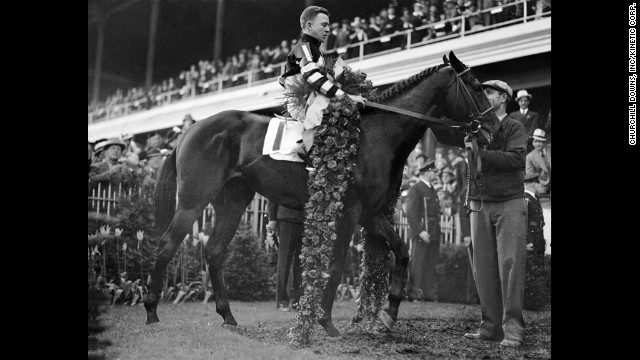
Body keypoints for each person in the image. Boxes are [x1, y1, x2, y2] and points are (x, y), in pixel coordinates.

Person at [464, 79, 528, 348]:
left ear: (503, 98)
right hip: (480, 202)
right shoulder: (476, 126)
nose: (484, 95)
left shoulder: (515, 126)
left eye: (489, 92)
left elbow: (516, 159)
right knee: (483, 268)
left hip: (509, 201)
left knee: (510, 267)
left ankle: (512, 330)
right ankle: (489, 326)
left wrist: (482, 153)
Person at [277, 6, 365, 166]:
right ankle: (308, 150)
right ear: (309, 26)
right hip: (303, 103)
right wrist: (345, 96)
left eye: (328, 25)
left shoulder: (315, 50)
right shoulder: (302, 48)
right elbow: (313, 77)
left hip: (314, 99)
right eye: (324, 25)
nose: (328, 30)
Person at [405, 160, 441, 302]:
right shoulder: (416, 188)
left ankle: (429, 294)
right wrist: (420, 232)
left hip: (433, 232)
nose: (435, 173)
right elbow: (411, 213)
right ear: (426, 172)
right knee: (417, 264)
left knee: (430, 264)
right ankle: (413, 294)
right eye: (433, 171)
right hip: (422, 233)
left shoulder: (431, 189)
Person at [266, 201, 304, 311]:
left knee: (302, 263)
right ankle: (282, 302)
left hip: (306, 220)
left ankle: (299, 302)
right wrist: (272, 218)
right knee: (284, 261)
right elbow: (273, 193)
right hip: (286, 218)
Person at [523, 173, 546, 257]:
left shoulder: (534, 198)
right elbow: (523, 221)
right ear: (534, 184)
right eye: (540, 184)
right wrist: (528, 241)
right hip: (531, 241)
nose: (542, 188)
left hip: (537, 238)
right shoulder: (525, 199)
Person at [525, 128, 551, 196]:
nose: (537, 144)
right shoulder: (530, 157)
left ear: (544, 142)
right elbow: (530, 178)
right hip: (542, 185)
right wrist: (539, 186)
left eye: (540, 141)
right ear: (532, 142)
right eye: (535, 141)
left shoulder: (549, 150)